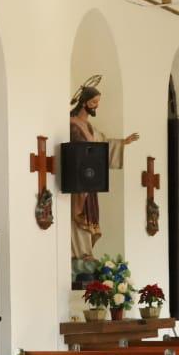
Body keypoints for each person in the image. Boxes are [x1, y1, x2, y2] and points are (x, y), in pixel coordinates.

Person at [69, 79, 139, 275]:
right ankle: (78, 254)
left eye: (98, 102)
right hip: (78, 183)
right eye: (93, 102)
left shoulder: (90, 127)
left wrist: (122, 143)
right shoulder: (73, 124)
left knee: (89, 219)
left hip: (90, 181)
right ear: (84, 102)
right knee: (78, 218)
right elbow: (77, 151)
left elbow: (103, 145)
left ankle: (86, 254)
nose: (96, 106)